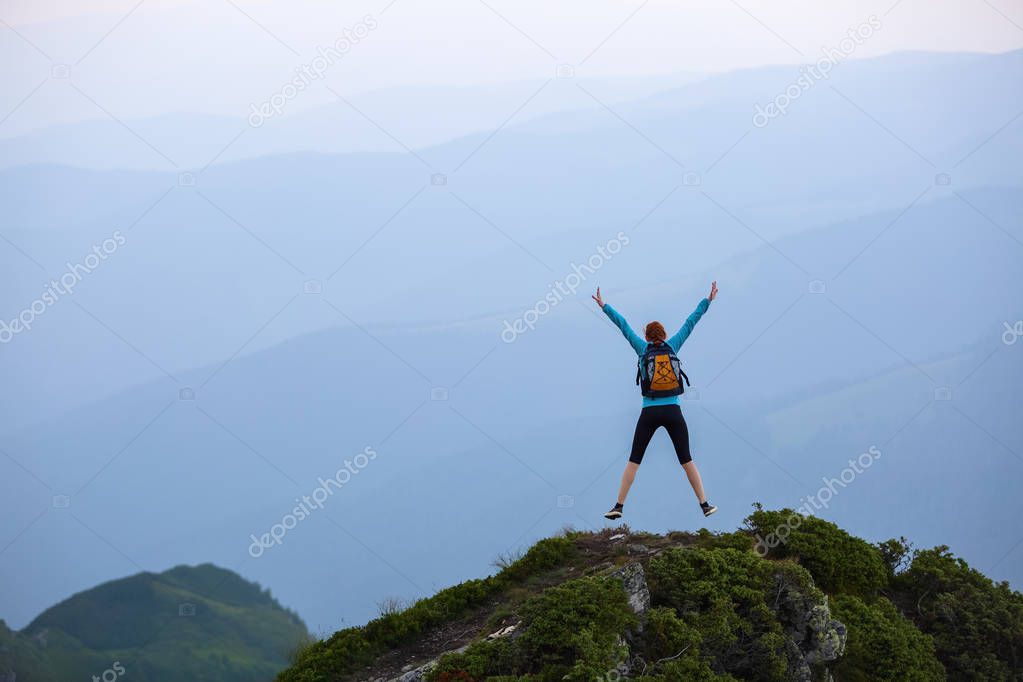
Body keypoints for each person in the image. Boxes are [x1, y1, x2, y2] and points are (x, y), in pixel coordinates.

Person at [592, 282, 719, 520]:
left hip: (649, 412)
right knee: (686, 458)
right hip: (673, 411)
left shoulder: (642, 349)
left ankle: (618, 506)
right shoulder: (674, 345)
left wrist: (604, 306)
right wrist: (708, 300)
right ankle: (704, 504)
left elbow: (623, 326)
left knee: (634, 459)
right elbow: (691, 321)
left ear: (647, 337)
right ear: (665, 335)